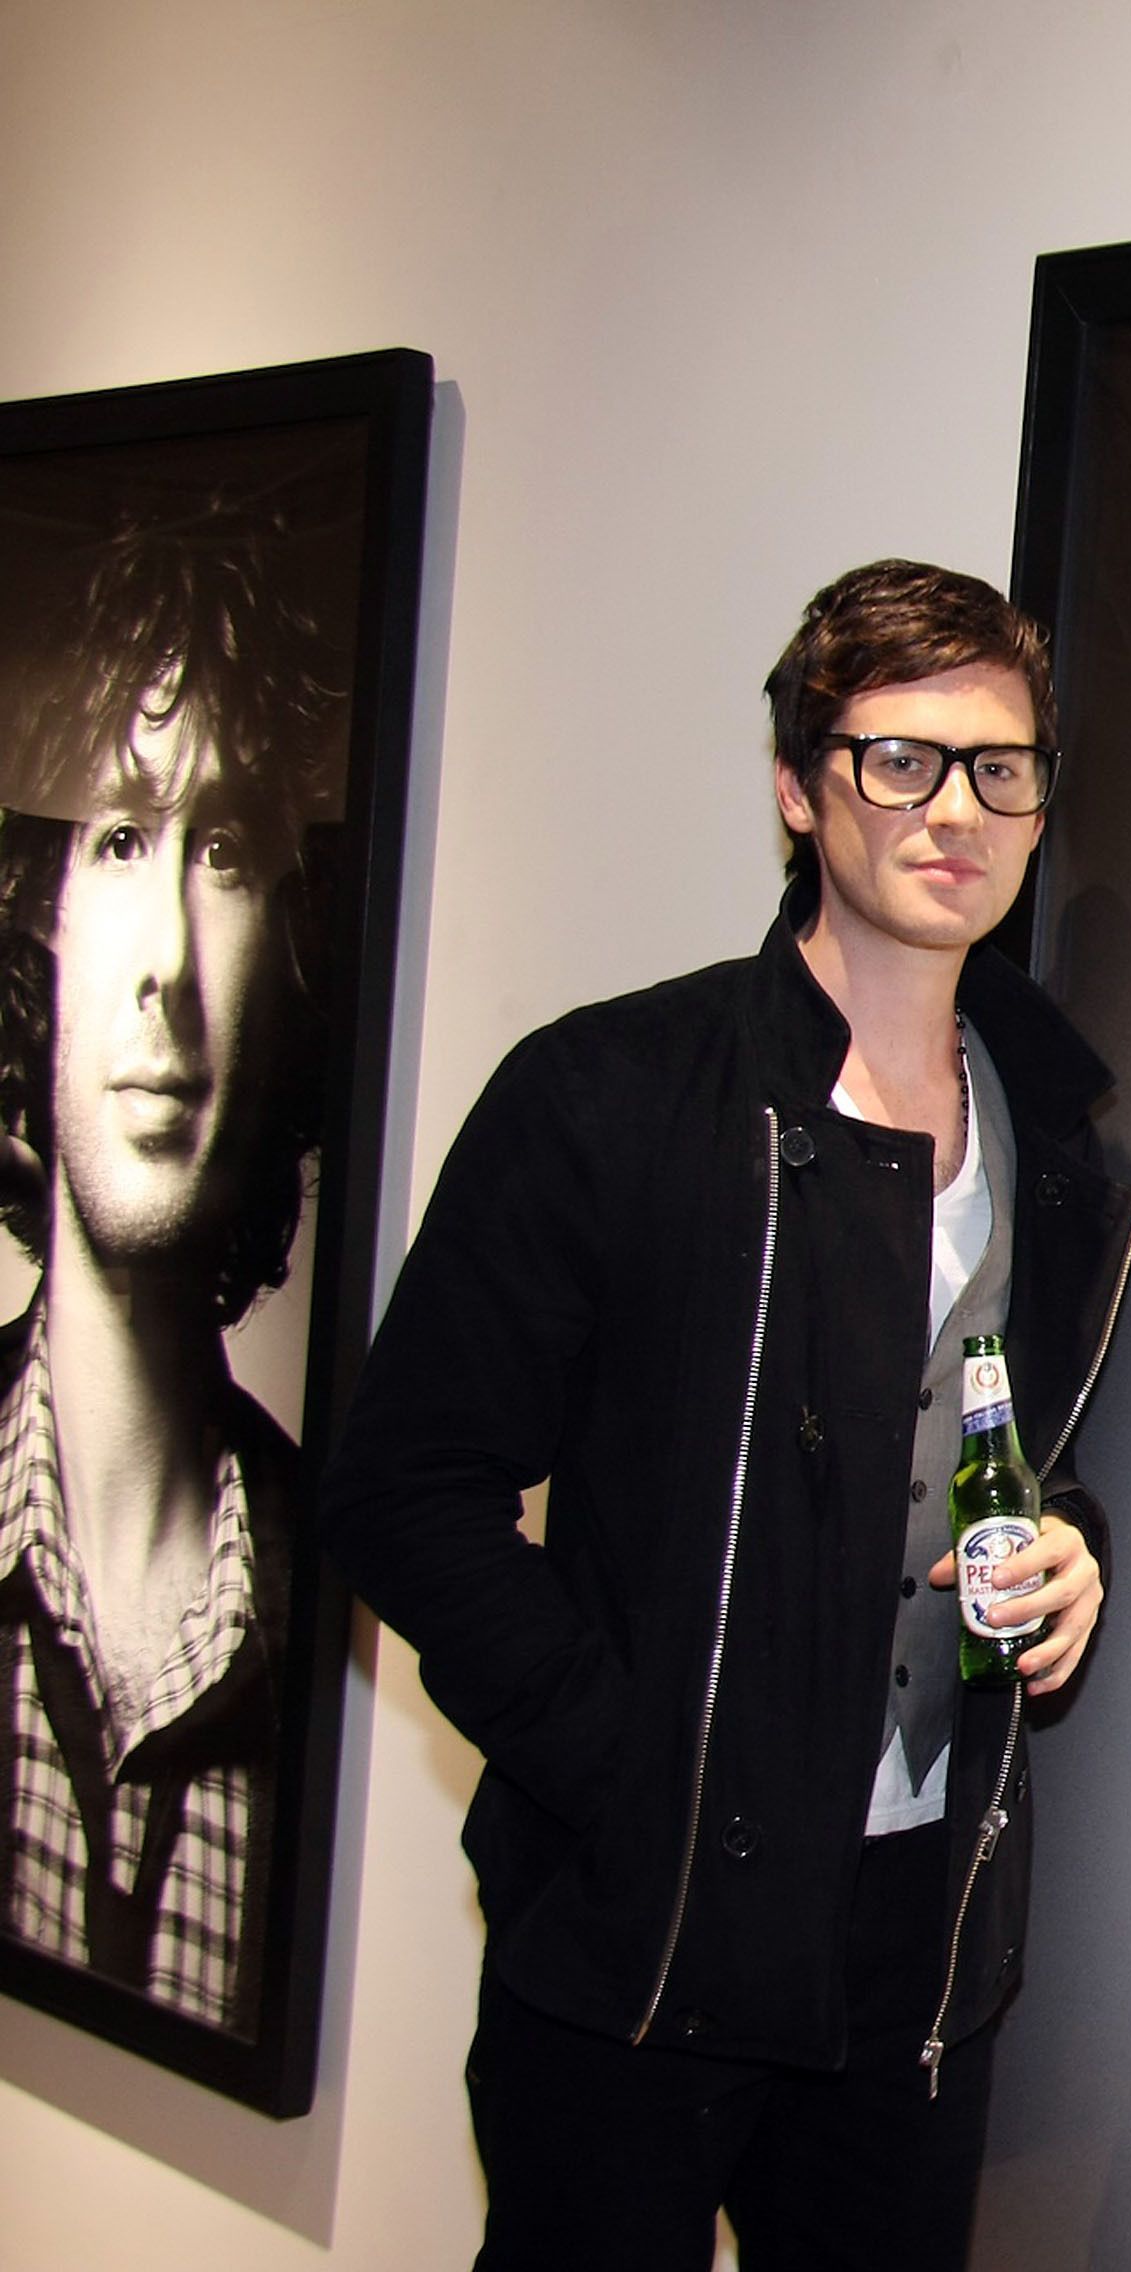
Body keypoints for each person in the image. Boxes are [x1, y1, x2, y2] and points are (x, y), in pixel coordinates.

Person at [324, 561, 1131, 2270]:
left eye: (1002, 767)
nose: (957, 809)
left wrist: (1077, 1555)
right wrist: (622, 1765)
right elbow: (406, 1489)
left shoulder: (1062, 1157)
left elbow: (1014, 1446)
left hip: (916, 1948)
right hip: (640, 1944)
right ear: (798, 784)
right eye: (897, 759)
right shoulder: (611, 1096)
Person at [0, 507, 341, 2037]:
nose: (165, 962)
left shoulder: (321, 1586)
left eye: (225, 856)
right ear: (40, 920)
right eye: (122, 839)